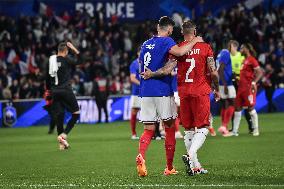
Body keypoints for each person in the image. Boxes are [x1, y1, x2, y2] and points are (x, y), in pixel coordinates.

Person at [142, 20, 220, 176]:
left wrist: (151, 73)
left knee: (189, 129)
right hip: (201, 91)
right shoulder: (205, 47)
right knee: (204, 127)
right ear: (195, 31)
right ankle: (191, 155)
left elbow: (167, 69)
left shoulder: (178, 49)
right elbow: (214, 72)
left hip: (184, 93)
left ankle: (195, 165)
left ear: (183, 33)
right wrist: (217, 88)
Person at [48, 42, 82, 150]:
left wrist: (48, 90)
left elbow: (47, 76)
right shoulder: (67, 59)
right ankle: (63, 135)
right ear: (66, 51)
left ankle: (62, 145)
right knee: (76, 114)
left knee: (60, 116)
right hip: (66, 90)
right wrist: (74, 49)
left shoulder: (51, 61)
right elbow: (80, 61)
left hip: (54, 91)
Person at [228, 43, 263, 137]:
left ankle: (256, 130)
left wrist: (253, 82)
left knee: (250, 109)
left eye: (242, 48)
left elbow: (260, 72)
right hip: (241, 88)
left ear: (247, 49)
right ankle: (235, 131)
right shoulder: (244, 60)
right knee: (237, 109)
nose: (240, 50)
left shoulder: (252, 60)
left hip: (248, 88)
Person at [230, 40, 253, 133]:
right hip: (233, 83)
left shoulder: (241, 56)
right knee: (234, 106)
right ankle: (234, 128)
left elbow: (246, 69)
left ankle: (251, 127)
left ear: (235, 47)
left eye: (230, 46)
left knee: (246, 106)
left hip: (242, 84)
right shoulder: (228, 56)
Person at [216, 43, 236, 136]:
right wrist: (225, 85)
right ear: (232, 47)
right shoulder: (226, 53)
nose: (235, 51)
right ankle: (224, 126)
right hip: (226, 83)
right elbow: (220, 69)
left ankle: (224, 128)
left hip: (221, 82)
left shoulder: (221, 53)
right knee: (232, 103)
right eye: (235, 48)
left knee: (225, 105)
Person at [129, 49, 141, 140]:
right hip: (137, 92)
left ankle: (154, 133)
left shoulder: (147, 63)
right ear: (137, 53)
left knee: (151, 112)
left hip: (147, 92)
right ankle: (133, 133)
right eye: (140, 51)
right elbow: (132, 78)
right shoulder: (134, 64)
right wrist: (142, 84)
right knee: (134, 111)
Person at [171, 68, 183, 139]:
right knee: (174, 112)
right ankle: (177, 131)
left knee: (179, 112)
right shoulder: (171, 62)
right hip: (174, 89)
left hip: (182, 90)